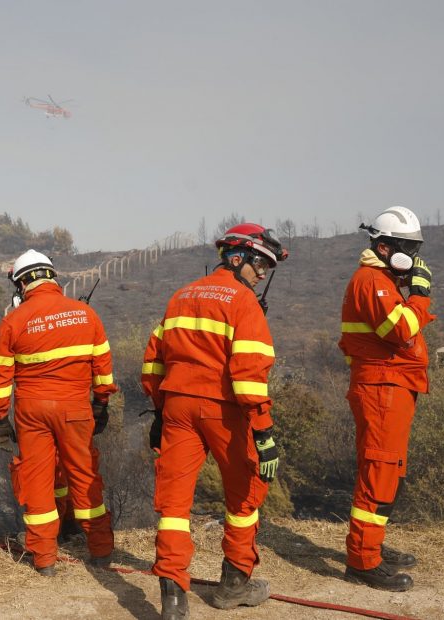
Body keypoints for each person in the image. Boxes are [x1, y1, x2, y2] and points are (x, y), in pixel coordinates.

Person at [142, 224, 287, 619]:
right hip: (224, 410)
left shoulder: (181, 296)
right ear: (237, 257)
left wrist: (159, 411)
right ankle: (233, 585)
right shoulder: (243, 303)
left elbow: (153, 360)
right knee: (244, 493)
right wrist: (264, 431)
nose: (262, 274)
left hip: (177, 409)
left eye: (268, 268)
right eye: (260, 264)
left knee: (173, 504)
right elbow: (249, 373)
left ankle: (172, 598)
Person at [0, 249, 116, 576]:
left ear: (22, 283)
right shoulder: (85, 315)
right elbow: (103, 367)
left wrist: (1, 419)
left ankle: (44, 559)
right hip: (74, 408)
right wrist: (100, 404)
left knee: (38, 482)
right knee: (84, 478)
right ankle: (100, 551)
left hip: (31, 413)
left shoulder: (13, 321)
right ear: (51, 276)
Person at [339, 206, 435, 592]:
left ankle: (373, 546)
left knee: (390, 470)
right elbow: (400, 330)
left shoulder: (385, 281)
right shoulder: (373, 281)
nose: (413, 257)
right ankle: (363, 561)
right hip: (381, 387)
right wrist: (421, 295)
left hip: (393, 385)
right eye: (407, 248)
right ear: (384, 247)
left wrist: (409, 292)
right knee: (378, 471)